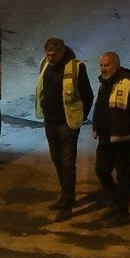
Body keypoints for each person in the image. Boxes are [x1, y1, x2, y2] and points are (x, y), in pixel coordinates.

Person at [36, 38, 94, 218]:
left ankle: (67, 205)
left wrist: (80, 118)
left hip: (67, 124)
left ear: (62, 52)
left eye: (53, 55)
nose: (50, 58)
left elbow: (88, 95)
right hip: (50, 121)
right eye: (47, 54)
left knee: (68, 163)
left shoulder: (76, 67)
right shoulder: (44, 64)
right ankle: (66, 195)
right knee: (57, 160)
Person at [91, 50, 130, 224]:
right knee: (101, 169)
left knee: (123, 177)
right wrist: (96, 127)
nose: (103, 69)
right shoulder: (104, 84)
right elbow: (99, 107)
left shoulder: (128, 85)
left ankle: (123, 214)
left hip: (124, 141)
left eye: (107, 65)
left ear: (117, 66)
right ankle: (115, 203)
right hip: (106, 138)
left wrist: (122, 129)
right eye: (101, 65)